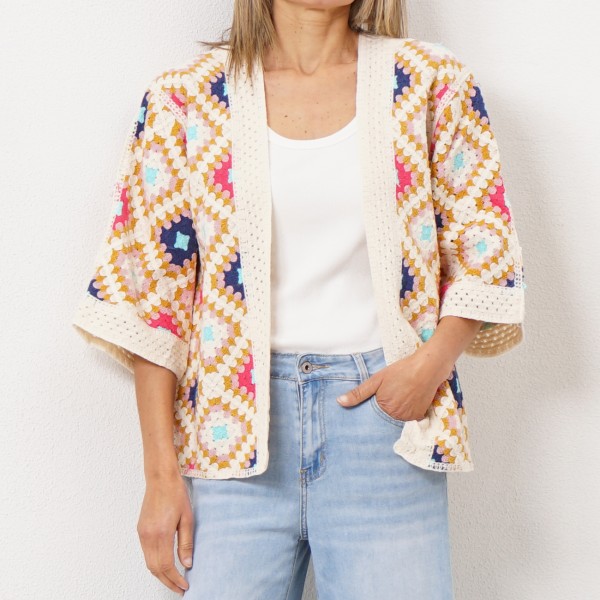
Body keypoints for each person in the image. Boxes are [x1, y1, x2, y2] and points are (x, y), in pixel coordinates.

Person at [71, 1, 526, 598]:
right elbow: (152, 298)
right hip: (229, 436)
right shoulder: (186, 98)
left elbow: (485, 243)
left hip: (384, 432)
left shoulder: (429, 82)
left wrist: (429, 366)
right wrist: (160, 478)